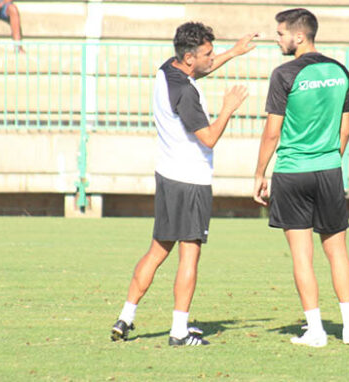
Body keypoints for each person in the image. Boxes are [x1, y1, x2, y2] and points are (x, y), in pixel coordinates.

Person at [110, 22, 256, 346]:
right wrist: (229, 109)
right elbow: (209, 138)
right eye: (207, 53)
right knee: (189, 256)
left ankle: (126, 316)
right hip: (191, 182)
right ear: (190, 57)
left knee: (157, 250)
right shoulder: (187, 94)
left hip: (167, 176)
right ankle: (178, 332)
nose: (211, 57)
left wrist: (234, 51)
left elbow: (201, 70)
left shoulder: (169, 69)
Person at [253, 8, 349, 347]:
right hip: (328, 171)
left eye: (280, 34)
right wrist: (327, 160)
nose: (277, 39)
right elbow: (345, 128)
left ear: (298, 36)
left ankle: (316, 331)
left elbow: (271, 133)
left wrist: (259, 173)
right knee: (337, 251)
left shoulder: (283, 74)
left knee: (301, 255)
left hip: (292, 173)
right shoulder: (340, 71)